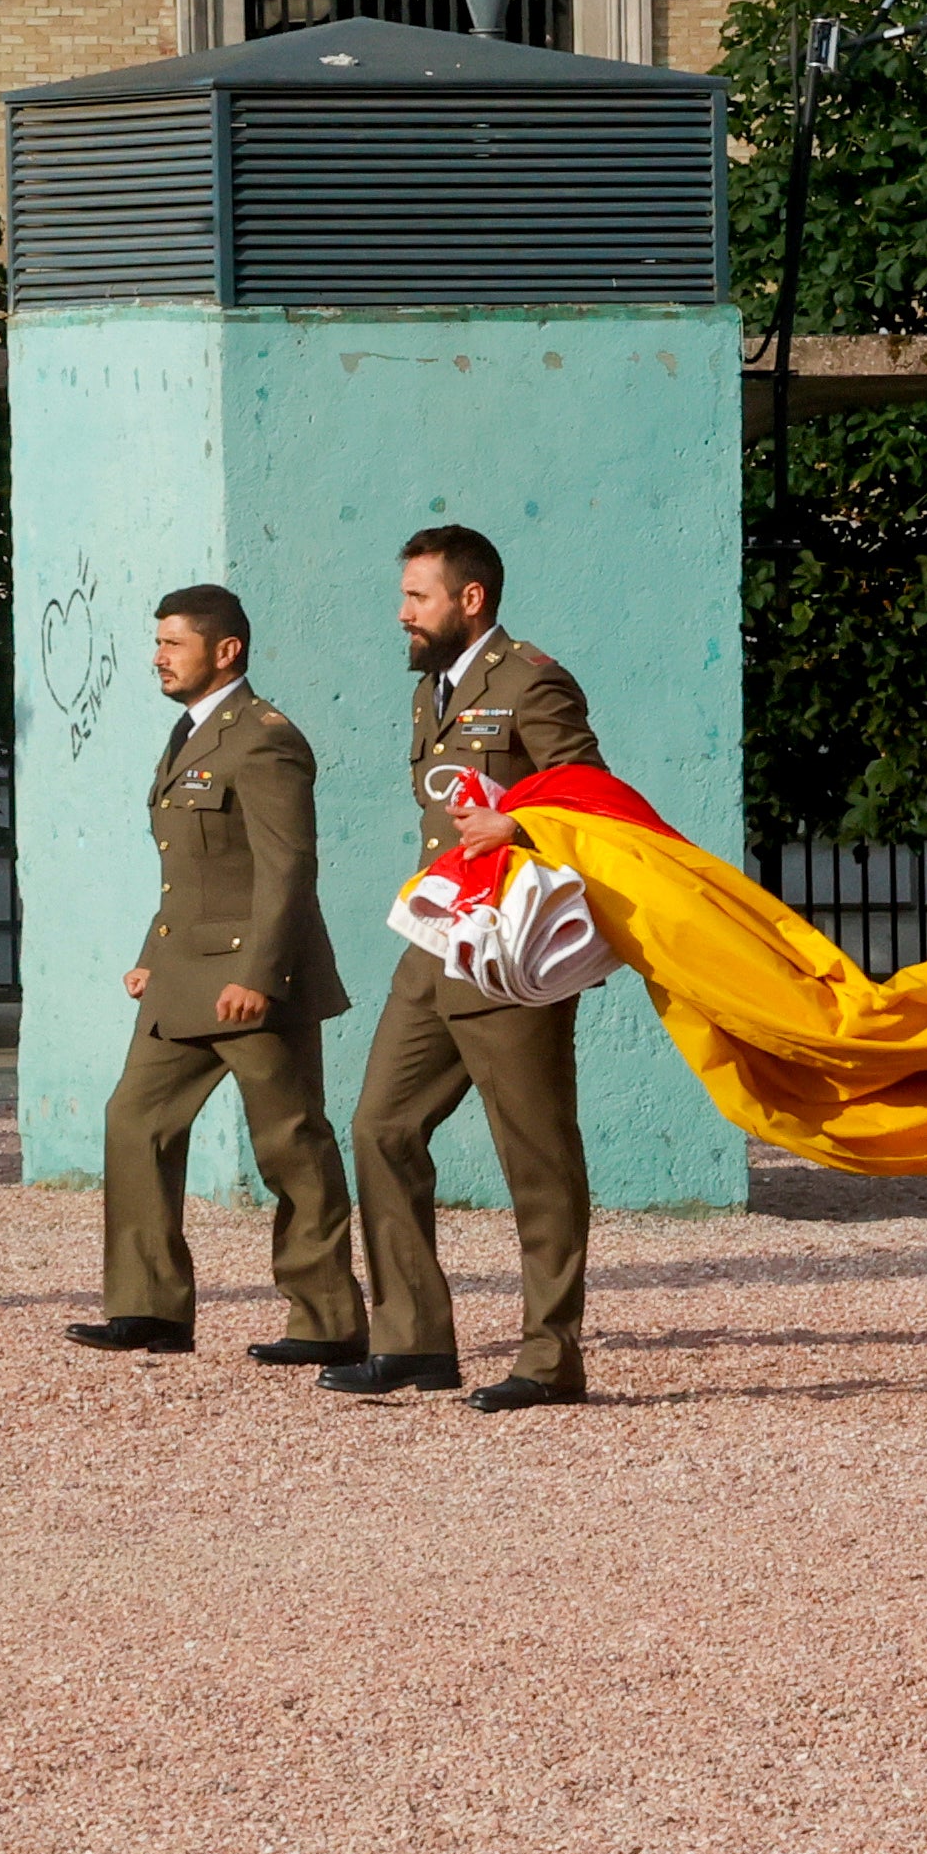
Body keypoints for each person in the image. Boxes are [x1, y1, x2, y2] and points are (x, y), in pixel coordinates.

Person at [329, 525, 604, 1406]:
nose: (402, 613)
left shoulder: (531, 680)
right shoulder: (434, 692)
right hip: (435, 949)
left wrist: (519, 826)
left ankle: (550, 1358)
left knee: (537, 1155)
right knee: (381, 1126)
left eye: (418, 597)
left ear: (470, 599)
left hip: (506, 960)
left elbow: (591, 795)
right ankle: (413, 1341)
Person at [72, 585, 362, 1363]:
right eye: (157, 642)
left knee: (290, 1145)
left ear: (225, 650)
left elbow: (287, 866)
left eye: (173, 643)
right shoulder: (190, 735)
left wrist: (261, 975)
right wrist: (149, 957)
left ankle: (328, 1321)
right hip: (182, 979)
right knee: (135, 1121)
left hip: (250, 987)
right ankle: (151, 1310)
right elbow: (189, 873)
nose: (158, 656)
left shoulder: (263, 738)